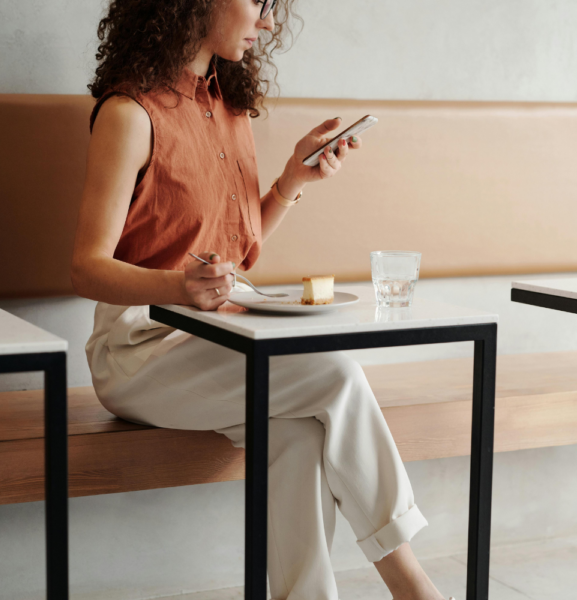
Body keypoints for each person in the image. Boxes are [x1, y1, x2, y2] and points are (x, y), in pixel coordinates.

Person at [71, 1, 453, 599]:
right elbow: (86, 267)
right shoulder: (129, 114)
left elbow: (237, 258)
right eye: (260, 3)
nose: (270, 24)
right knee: (337, 376)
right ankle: (411, 581)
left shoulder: (230, 109)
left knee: (296, 438)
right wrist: (177, 287)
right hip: (140, 351)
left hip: (226, 336)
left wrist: (291, 184)